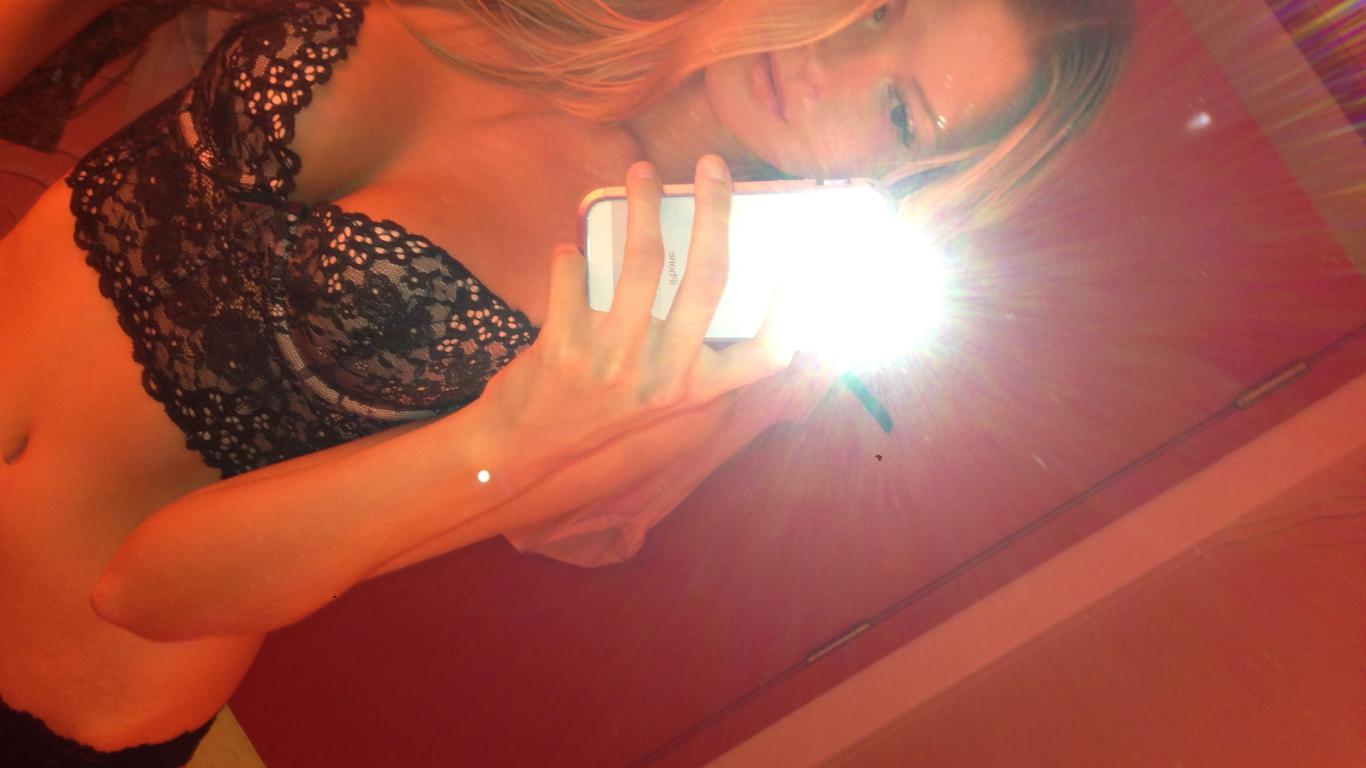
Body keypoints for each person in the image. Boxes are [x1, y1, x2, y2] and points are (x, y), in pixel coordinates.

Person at [0, 0, 1132, 763]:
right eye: (880, 9)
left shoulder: (665, 362)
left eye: (896, 108)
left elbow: (149, 595)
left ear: (909, 178)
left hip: (47, 686)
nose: (826, 63)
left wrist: (512, 439)